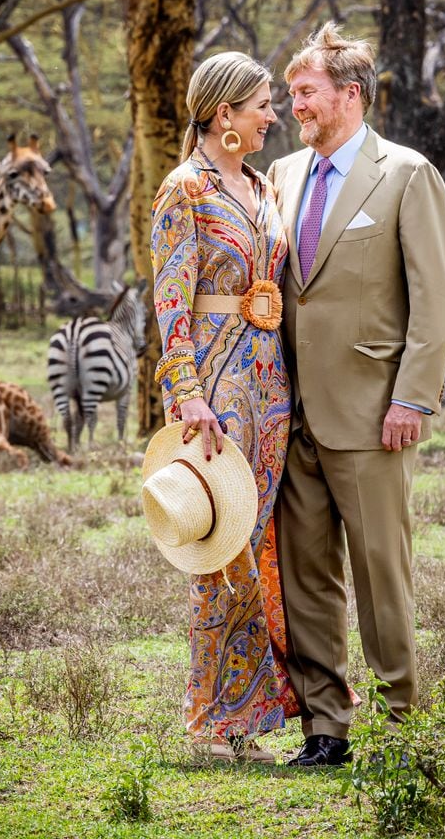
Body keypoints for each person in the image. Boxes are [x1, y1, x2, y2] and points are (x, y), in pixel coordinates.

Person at [267, 22, 445, 768]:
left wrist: (413, 399)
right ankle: (326, 728)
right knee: (306, 579)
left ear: (350, 94)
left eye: (306, 92)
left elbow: (435, 301)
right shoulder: (282, 175)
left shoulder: (407, 174)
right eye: (289, 94)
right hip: (293, 419)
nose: (294, 105)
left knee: (383, 576)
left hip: (377, 417)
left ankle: (404, 722)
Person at [150, 51, 298, 762]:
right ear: (223, 114)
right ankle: (216, 719)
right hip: (214, 387)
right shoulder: (184, 189)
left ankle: (260, 710)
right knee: (221, 550)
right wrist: (187, 393)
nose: (274, 116)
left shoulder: (264, 185)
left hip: (271, 388)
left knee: (260, 542)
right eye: (263, 104)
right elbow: (170, 300)